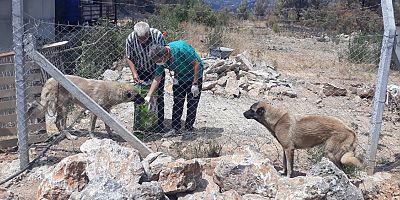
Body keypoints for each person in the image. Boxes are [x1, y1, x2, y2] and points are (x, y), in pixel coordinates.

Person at [146, 41, 204, 137]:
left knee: (192, 102)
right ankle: (175, 128)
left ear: (165, 55)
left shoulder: (181, 48)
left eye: (158, 61)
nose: (158, 63)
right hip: (179, 77)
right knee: (177, 102)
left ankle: (189, 128)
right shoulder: (160, 58)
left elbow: (196, 64)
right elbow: (157, 77)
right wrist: (149, 95)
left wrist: (195, 83)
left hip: (194, 75)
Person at [125, 21, 166, 132]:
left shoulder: (158, 36)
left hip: (157, 68)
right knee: (139, 96)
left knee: (159, 96)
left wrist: (157, 74)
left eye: (146, 37)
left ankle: (158, 125)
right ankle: (140, 124)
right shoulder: (131, 38)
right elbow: (128, 57)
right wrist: (134, 73)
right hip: (141, 69)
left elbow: (163, 55)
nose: (143, 40)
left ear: (149, 33)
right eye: (140, 38)